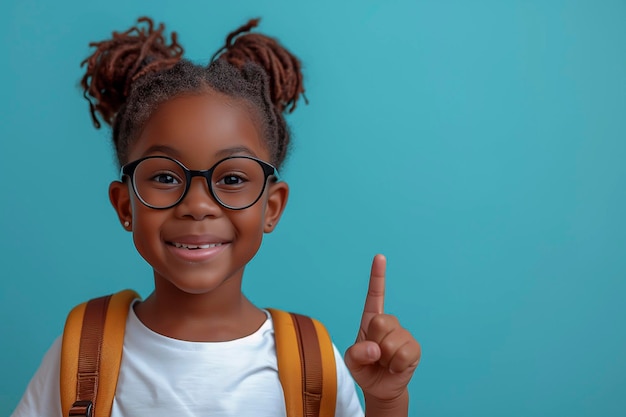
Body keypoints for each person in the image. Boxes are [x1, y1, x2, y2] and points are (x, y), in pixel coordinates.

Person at [11, 17, 421, 417]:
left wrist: (386, 403)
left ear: (271, 207)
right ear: (125, 205)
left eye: (232, 178)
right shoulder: (82, 353)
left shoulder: (313, 361)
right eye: (166, 176)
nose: (198, 204)